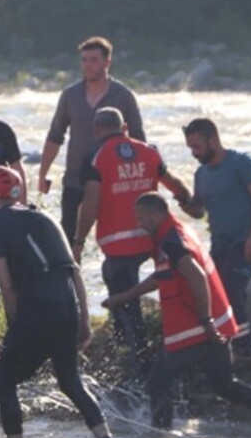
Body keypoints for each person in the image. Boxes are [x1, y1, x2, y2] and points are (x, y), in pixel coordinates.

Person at [104, 193, 251, 432]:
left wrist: (206, 321)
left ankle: (160, 437)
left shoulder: (171, 241)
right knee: (225, 385)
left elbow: (197, 276)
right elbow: (166, 274)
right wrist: (126, 296)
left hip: (197, 325)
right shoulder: (177, 231)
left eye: (141, 218)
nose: (139, 224)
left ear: (157, 215)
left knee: (158, 381)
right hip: (214, 323)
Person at [0, 165, 127, 438]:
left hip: (36, 306)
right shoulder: (46, 220)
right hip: (67, 305)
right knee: (71, 381)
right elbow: (73, 272)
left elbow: (5, 283)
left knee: (5, 379)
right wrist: (83, 321)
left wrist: (15, 328)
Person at [73, 107, 192, 382]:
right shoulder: (148, 151)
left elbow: (91, 203)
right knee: (168, 285)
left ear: (96, 130)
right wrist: (188, 199)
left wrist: (78, 241)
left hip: (119, 244)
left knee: (126, 305)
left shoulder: (96, 157)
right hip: (153, 236)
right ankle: (165, 347)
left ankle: (137, 367)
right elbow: (171, 181)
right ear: (124, 127)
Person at [37, 36, 146, 242]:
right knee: (67, 239)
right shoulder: (70, 95)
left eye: (94, 60)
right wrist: (42, 174)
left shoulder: (123, 95)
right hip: (75, 179)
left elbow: (138, 139)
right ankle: (72, 273)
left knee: (116, 238)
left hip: (113, 181)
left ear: (107, 62)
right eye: (84, 60)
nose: (87, 65)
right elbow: (55, 135)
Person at [178, 118, 251, 356]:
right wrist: (186, 205)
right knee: (209, 292)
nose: (194, 153)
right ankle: (220, 348)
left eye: (197, 147)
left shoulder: (242, 163)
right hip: (219, 244)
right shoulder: (201, 174)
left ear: (213, 140)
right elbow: (199, 211)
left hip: (245, 240)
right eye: (190, 148)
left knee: (231, 285)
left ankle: (245, 350)